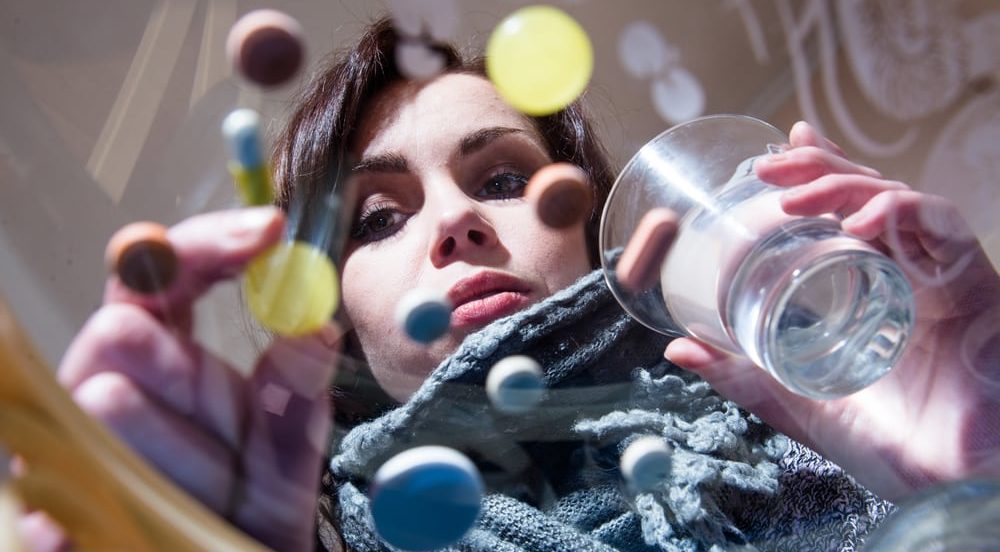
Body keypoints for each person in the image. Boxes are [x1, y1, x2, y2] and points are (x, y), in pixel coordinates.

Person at [33, 16, 1000, 552]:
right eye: (378, 219)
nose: (455, 220)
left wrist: (974, 478)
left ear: (595, 226)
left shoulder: (835, 420)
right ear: (342, 330)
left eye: (501, 178)